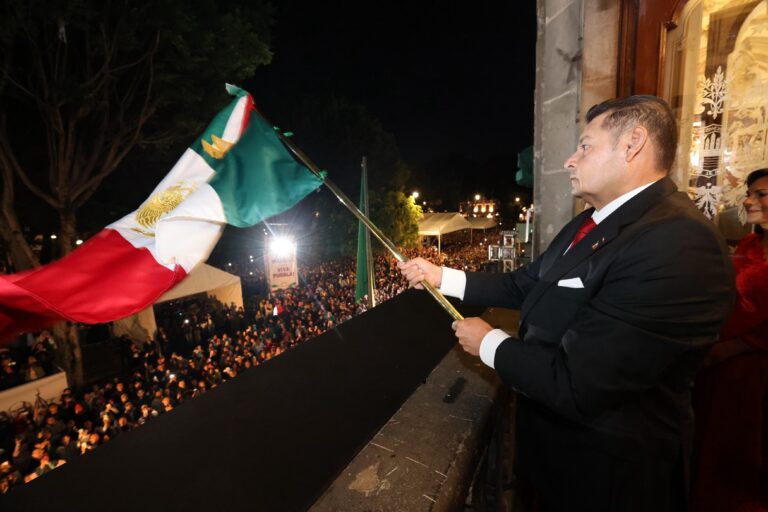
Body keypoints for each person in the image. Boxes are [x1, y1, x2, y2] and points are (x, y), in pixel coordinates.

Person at [399, 95, 735, 512]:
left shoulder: (678, 242)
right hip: (556, 465)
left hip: (607, 480)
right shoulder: (591, 221)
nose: (571, 160)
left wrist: (490, 344)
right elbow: (525, 285)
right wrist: (441, 276)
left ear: (632, 144)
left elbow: (580, 384)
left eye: (585, 146)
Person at [692, 168, 768, 512]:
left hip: (757, 370)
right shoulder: (751, 243)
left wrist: (734, 347)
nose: (749, 201)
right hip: (721, 366)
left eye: (761, 195)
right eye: (749, 193)